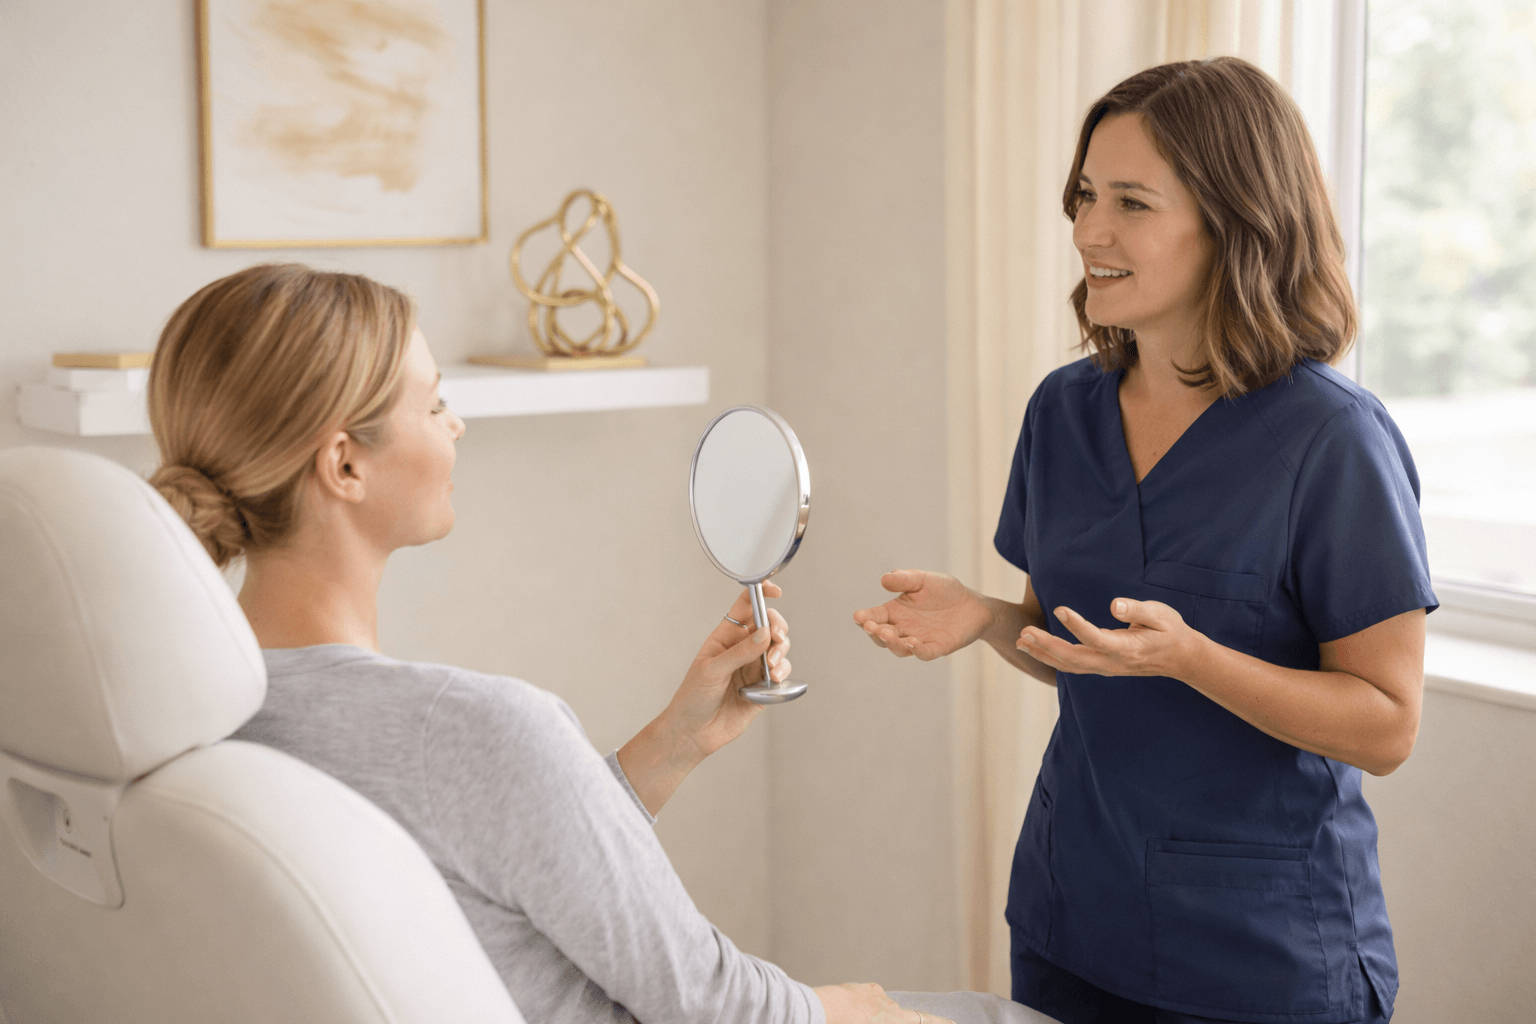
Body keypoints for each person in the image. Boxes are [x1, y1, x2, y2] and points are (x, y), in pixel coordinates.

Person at [147, 263, 944, 1024]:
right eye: (433, 406)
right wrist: (846, 1006)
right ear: (345, 463)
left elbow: (480, 859)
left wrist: (672, 744)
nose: (456, 424)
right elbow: (710, 1002)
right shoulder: (464, 728)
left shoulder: (185, 710)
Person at [854, 57, 1434, 1024]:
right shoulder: (1062, 412)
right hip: (1072, 919)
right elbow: (1080, 650)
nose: (1088, 230)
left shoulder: (1332, 438)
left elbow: (1387, 725)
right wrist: (993, 617)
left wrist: (1196, 661)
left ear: (1234, 221)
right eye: (1085, 195)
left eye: (1131, 201)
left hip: (1263, 956)